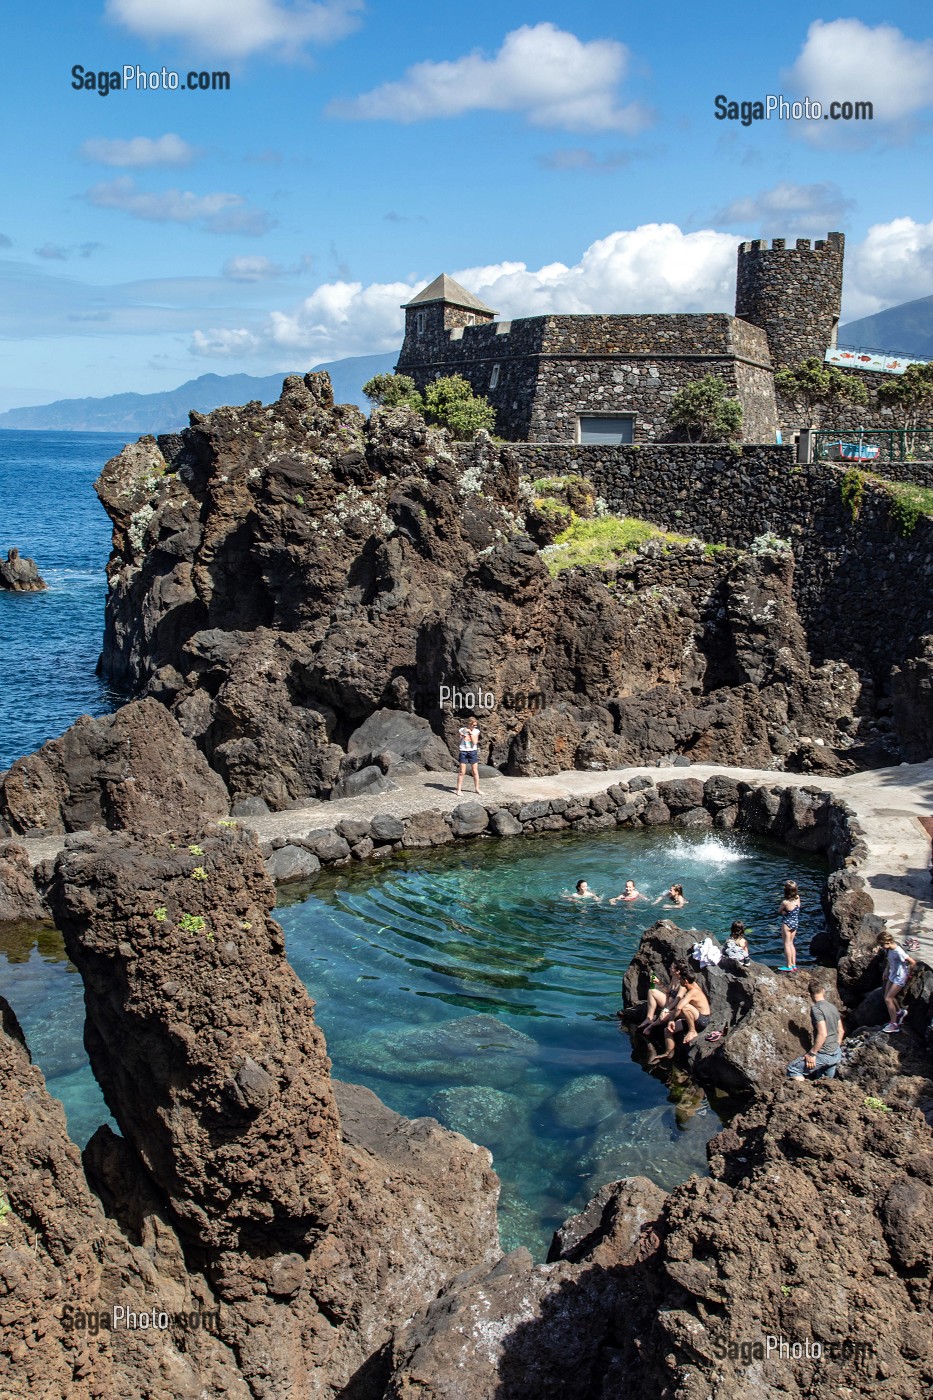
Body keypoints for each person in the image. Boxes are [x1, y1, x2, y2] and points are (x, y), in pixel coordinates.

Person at [787, 978, 844, 1079]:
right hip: (836, 1053)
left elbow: (823, 1034)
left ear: (809, 994)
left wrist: (812, 1054)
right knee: (824, 1081)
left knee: (793, 1069)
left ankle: (803, 1093)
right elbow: (841, 1031)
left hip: (824, 1054)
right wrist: (835, 1047)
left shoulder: (816, 1009)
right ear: (823, 991)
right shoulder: (833, 1007)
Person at [661, 969, 711, 1056]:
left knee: (685, 1007)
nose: (679, 980)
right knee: (667, 1031)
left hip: (702, 1020)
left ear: (685, 981)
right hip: (693, 1018)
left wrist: (671, 1020)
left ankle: (692, 1031)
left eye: (680, 979)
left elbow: (679, 1007)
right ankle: (668, 1053)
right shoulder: (691, 984)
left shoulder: (693, 992)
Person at [878, 930, 916, 1033]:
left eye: (882, 944)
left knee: (888, 999)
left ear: (888, 942)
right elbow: (890, 961)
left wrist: (909, 973)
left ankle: (894, 1024)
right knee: (888, 996)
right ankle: (899, 1012)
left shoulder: (898, 951)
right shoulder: (889, 949)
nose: (881, 947)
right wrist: (886, 971)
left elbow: (912, 962)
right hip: (892, 974)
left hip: (900, 977)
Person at [637, 960, 686, 1032]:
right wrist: (658, 982)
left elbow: (677, 1001)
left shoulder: (682, 984)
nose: (669, 968)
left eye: (672, 967)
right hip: (667, 1002)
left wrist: (666, 1010)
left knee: (663, 1018)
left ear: (678, 971)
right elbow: (668, 991)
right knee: (651, 991)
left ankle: (651, 1027)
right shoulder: (674, 977)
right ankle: (649, 1019)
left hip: (673, 1007)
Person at [455, 715, 481, 796]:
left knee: (475, 771)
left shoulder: (476, 731)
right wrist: (461, 736)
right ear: (469, 724)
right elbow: (458, 741)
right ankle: (458, 790)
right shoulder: (462, 730)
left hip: (472, 751)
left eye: (475, 725)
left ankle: (477, 788)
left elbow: (475, 742)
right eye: (473, 725)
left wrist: (470, 733)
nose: (474, 726)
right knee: (462, 771)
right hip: (463, 751)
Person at [778, 880, 801, 972]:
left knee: (786, 944)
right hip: (795, 923)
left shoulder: (785, 902)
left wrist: (783, 911)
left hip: (787, 924)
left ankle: (788, 965)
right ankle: (794, 965)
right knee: (791, 944)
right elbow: (797, 909)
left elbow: (779, 911)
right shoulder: (798, 898)